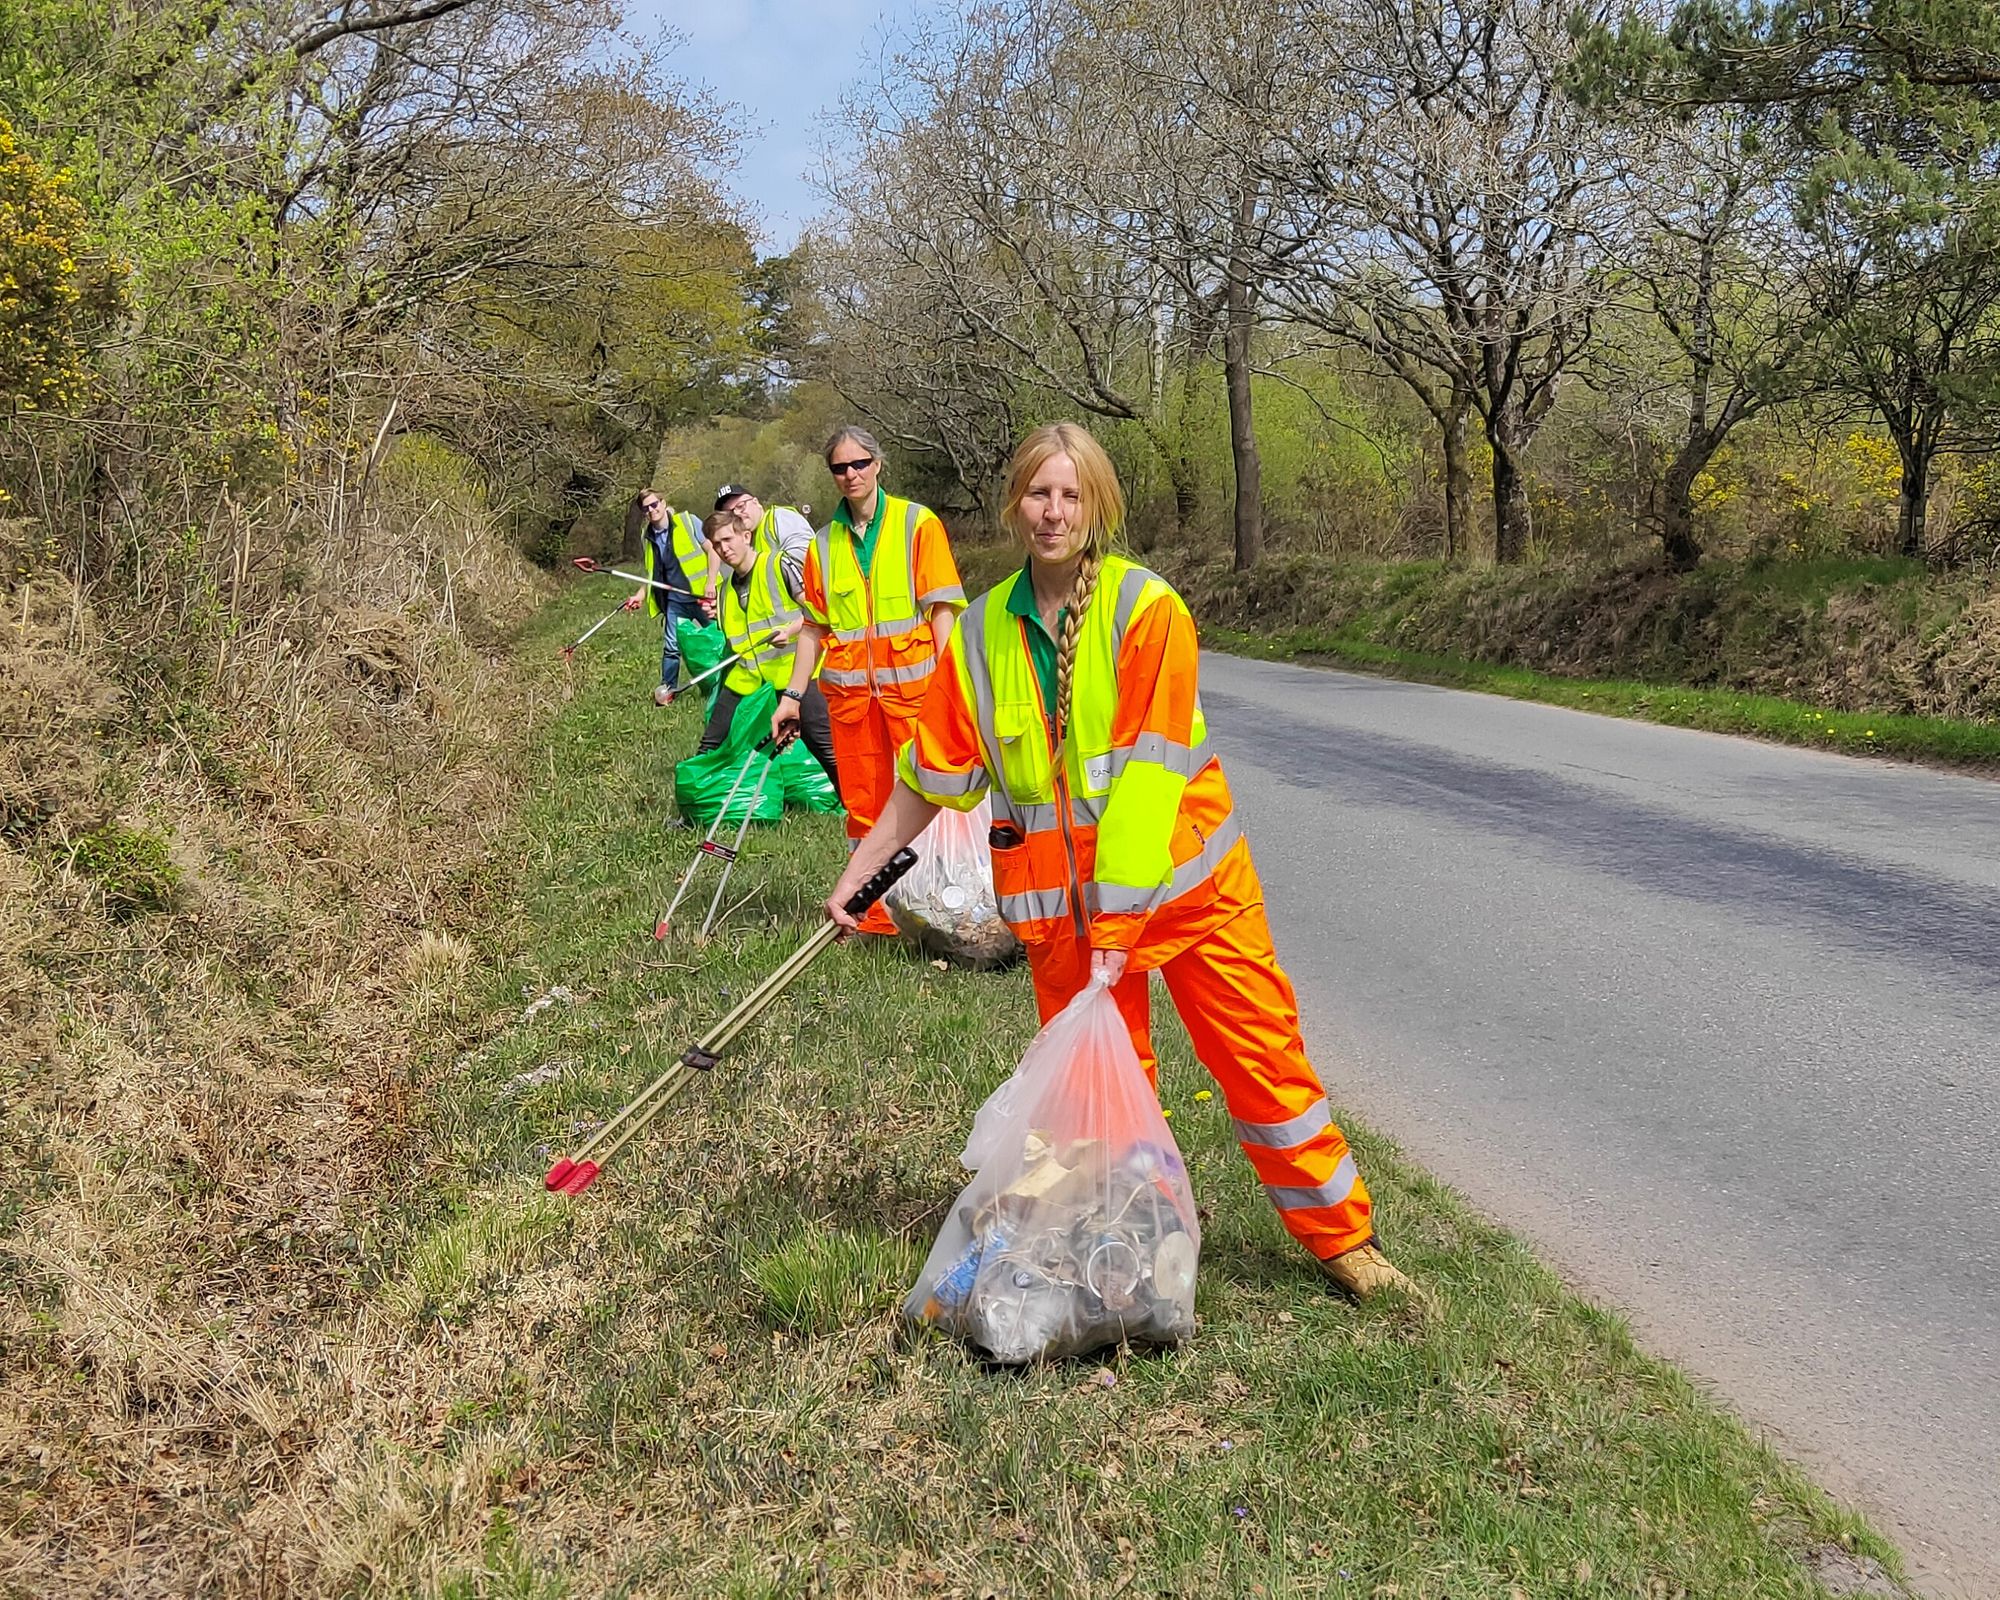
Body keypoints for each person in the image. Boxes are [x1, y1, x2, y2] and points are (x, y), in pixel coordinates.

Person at [822, 423, 1415, 1301]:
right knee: (1104, 1098)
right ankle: (1133, 1253)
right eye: (1038, 493)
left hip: (1186, 892)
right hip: (1062, 913)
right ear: (1014, 505)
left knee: (1260, 1057)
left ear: (1099, 505)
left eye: (1071, 494)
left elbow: (1148, 777)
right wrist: (860, 872)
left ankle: (1342, 1241)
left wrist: (1124, 918)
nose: (1054, 511)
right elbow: (928, 777)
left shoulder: (1148, 609)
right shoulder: (983, 632)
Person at [774, 426, 965, 935]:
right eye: (840, 468)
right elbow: (814, 628)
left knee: (933, 801)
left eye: (859, 464)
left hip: (916, 698)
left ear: (878, 464)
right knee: (864, 811)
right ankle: (876, 917)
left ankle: (945, 909)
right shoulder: (822, 544)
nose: (851, 475)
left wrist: (954, 690)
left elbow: (942, 609)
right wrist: (792, 696)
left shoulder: (915, 524)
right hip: (852, 704)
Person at [695, 510, 840, 791]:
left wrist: (791, 631)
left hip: (797, 675)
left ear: (746, 536)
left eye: (728, 539)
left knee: (827, 749)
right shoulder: (726, 591)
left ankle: (861, 813)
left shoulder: (778, 566)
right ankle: (696, 805)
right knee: (711, 742)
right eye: (716, 544)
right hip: (747, 680)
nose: (724, 549)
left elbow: (819, 612)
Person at [627, 490, 715, 705]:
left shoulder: (688, 521)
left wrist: (710, 582)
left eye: (654, 504)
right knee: (672, 647)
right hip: (674, 601)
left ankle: (730, 683)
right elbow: (652, 574)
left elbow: (713, 551)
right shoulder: (647, 536)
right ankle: (668, 690)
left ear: (663, 503)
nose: (652, 510)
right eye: (646, 508)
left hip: (701, 596)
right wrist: (640, 595)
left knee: (719, 638)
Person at [714, 484, 813, 594]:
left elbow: (806, 556)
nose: (737, 513)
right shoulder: (741, 541)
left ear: (756, 502)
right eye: (730, 514)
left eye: (741, 506)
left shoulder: (780, 518)